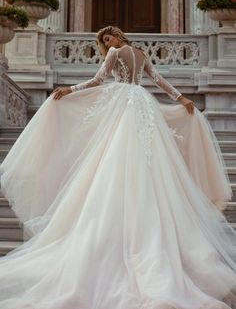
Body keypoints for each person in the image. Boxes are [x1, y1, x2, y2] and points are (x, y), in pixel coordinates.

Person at [0, 26, 235, 309]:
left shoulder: (119, 52)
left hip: (126, 103)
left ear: (116, 36)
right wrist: (179, 98)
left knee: (137, 155)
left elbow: (102, 79)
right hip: (139, 104)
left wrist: (182, 98)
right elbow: (153, 80)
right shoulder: (140, 53)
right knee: (117, 154)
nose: (105, 43)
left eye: (106, 38)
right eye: (103, 41)